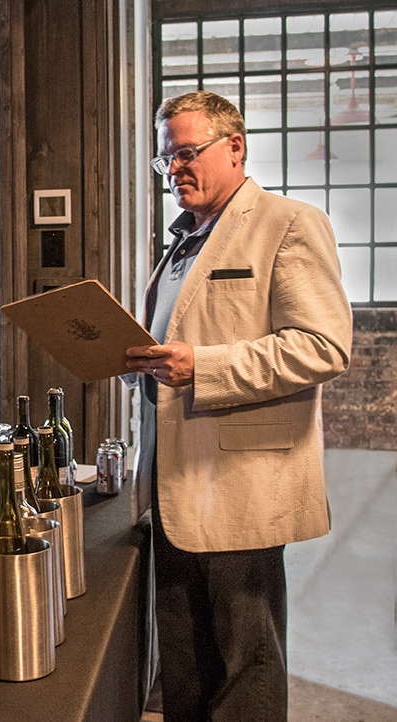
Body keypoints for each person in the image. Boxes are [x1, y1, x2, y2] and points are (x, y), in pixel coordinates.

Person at [124, 91, 352, 721]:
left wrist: (204, 365)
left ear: (235, 147)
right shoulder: (181, 244)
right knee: (186, 674)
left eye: (187, 153)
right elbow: (176, 348)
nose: (174, 169)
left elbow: (323, 347)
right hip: (171, 495)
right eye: (164, 159)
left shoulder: (288, 223)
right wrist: (136, 366)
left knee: (245, 675)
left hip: (240, 490)